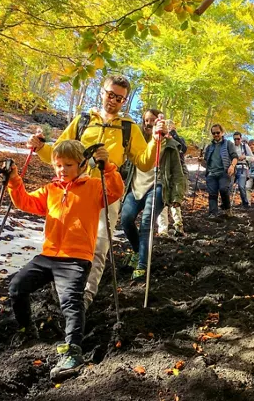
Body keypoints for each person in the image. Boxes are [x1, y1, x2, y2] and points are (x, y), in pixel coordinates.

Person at [26, 75, 166, 308]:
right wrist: (40, 147)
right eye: (110, 94)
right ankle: (61, 291)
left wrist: (155, 140)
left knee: (99, 244)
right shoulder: (83, 120)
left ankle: (85, 297)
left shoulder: (128, 128)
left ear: (125, 101)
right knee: (61, 240)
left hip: (106, 192)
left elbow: (144, 162)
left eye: (119, 98)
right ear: (102, 92)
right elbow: (58, 152)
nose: (113, 100)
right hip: (72, 190)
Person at [5, 140, 124, 382]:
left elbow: (115, 191)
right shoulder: (51, 190)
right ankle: (27, 329)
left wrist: (107, 166)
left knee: (70, 301)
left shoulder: (93, 186)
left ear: (82, 164)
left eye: (68, 164)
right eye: (58, 165)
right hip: (48, 255)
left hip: (76, 258)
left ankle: (73, 350)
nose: (62, 169)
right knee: (17, 287)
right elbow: (24, 202)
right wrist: (13, 180)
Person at [120, 110, 186, 281]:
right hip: (135, 187)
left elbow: (177, 173)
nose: (149, 123)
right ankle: (137, 251)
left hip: (157, 186)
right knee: (126, 220)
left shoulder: (170, 145)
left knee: (146, 222)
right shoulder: (136, 140)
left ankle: (142, 264)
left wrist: (177, 196)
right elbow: (125, 164)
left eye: (153, 120)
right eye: (146, 120)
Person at [157, 122, 189, 237]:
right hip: (163, 173)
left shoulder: (178, 139)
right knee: (162, 200)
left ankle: (178, 225)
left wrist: (173, 135)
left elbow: (183, 149)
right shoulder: (158, 140)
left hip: (177, 171)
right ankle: (163, 230)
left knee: (175, 199)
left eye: (170, 126)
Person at [200, 124, 238, 218]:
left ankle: (227, 209)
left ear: (222, 132)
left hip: (224, 172)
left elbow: (235, 157)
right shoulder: (209, 147)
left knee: (223, 189)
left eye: (218, 132)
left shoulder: (228, 144)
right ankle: (213, 214)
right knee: (212, 193)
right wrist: (201, 161)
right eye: (214, 133)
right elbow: (206, 164)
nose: (216, 134)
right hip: (211, 173)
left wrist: (232, 166)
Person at [230, 131, 254, 208]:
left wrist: (245, 157)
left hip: (242, 168)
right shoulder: (231, 146)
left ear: (241, 138)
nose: (236, 141)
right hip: (233, 168)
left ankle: (245, 204)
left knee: (241, 186)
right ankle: (226, 203)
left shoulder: (245, 146)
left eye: (238, 139)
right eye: (235, 139)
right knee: (228, 186)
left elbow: (252, 158)